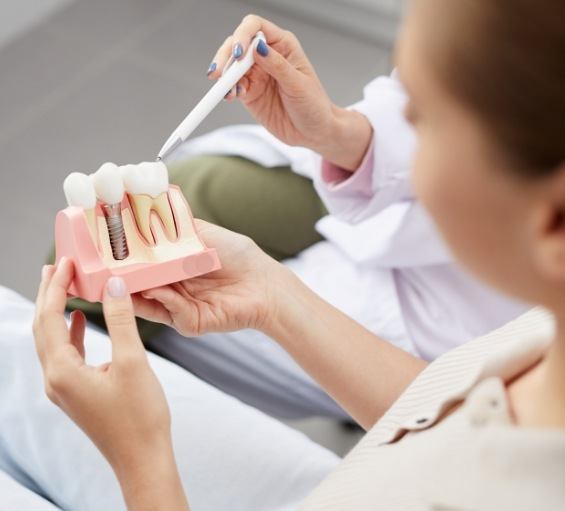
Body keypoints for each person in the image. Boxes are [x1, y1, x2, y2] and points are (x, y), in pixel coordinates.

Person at [29, 0, 565, 508]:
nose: (400, 123)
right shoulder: (539, 348)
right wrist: (273, 296)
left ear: (553, 224)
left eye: (422, 117)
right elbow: (449, 416)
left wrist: (142, 462)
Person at [61, 23, 529, 421]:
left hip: (438, 329)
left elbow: (446, 423)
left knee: (102, 304)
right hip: (393, 206)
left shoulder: (509, 401)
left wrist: (274, 299)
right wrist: (336, 131)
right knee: (193, 188)